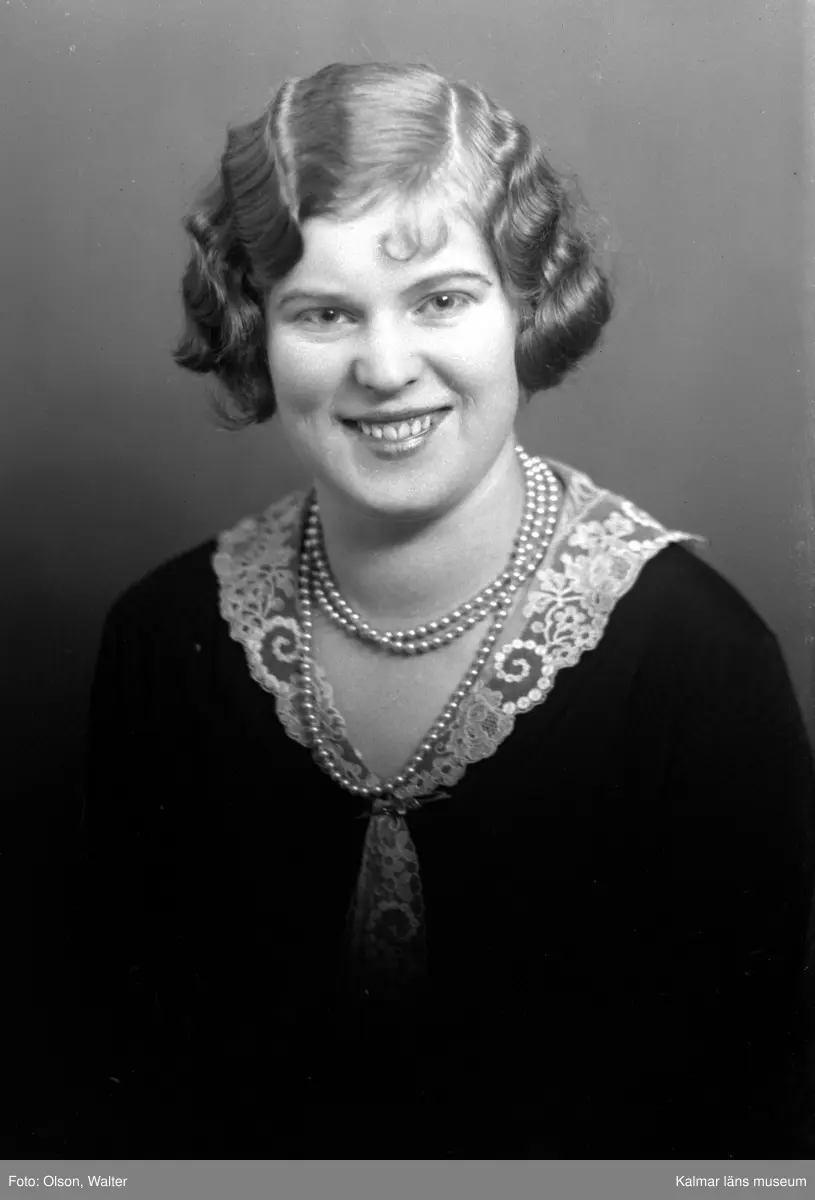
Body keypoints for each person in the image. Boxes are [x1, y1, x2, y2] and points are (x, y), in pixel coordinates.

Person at [71, 61, 815, 1159]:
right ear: (254, 332)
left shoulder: (700, 662)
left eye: (442, 300)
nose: (384, 367)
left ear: (528, 307)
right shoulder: (161, 638)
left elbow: (741, 1118)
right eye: (323, 312)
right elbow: (124, 1085)